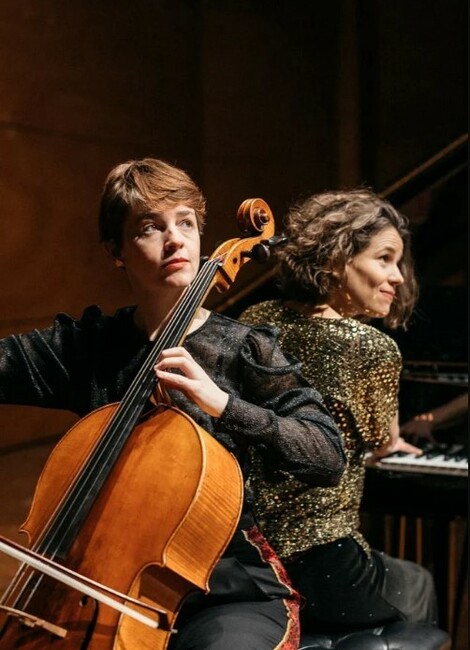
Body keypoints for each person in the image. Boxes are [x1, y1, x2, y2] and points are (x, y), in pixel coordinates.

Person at [0, 158, 346, 650]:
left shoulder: (246, 349)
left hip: (225, 586)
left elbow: (326, 454)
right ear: (116, 250)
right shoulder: (91, 347)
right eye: (150, 227)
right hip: (100, 585)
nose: (175, 239)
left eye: (186, 222)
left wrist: (224, 403)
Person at [239, 188, 439, 634]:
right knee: (421, 580)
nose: (399, 277)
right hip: (323, 562)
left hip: (250, 554)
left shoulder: (257, 316)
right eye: (384, 259)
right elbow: (382, 442)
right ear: (335, 260)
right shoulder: (371, 347)